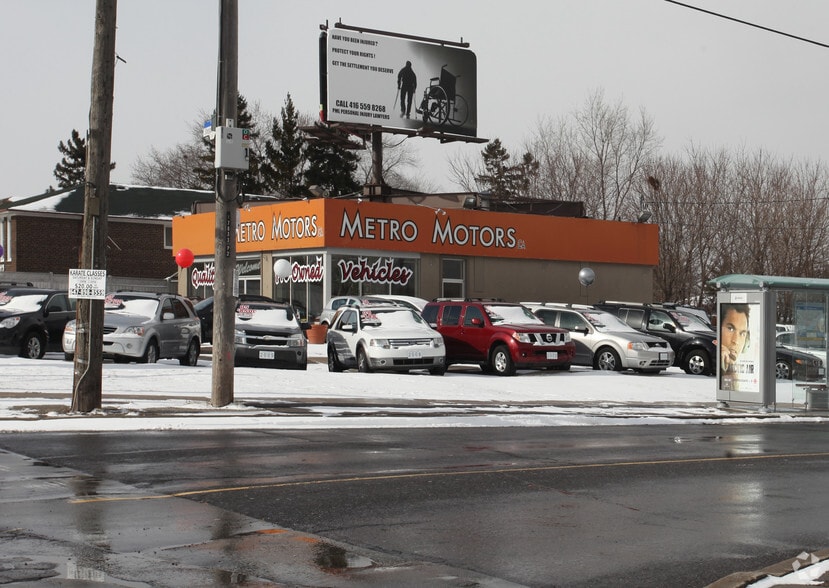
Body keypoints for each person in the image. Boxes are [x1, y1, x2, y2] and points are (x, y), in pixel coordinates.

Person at [720, 303, 750, 389]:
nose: (736, 341)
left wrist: (730, 373)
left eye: (742, 334)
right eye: (730, 329)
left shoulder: (734, 372)